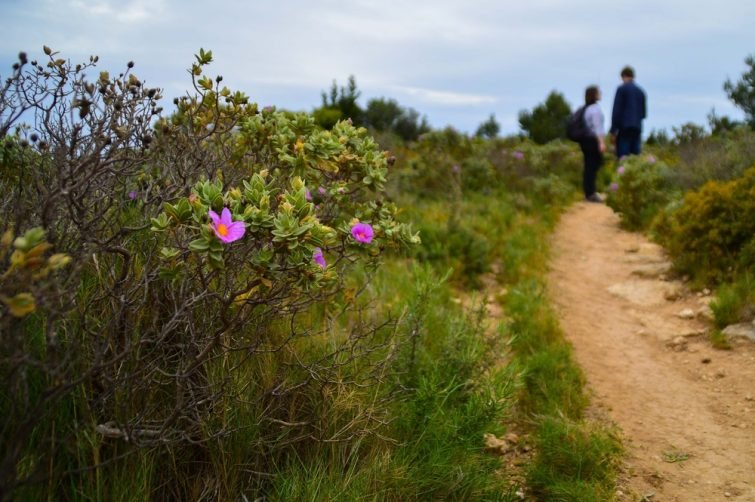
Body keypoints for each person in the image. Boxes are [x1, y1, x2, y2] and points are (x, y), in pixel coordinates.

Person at [610, 66, 647, 158]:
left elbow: (616, 111)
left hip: (624, 128)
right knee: (635, 157)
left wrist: (613, 130)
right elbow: (643, 114)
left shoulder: (621, 89)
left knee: (623, 157)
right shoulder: (641, 92)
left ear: (623, 76)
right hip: (637, 127)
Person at [580, 85, 606, 202]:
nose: (600, 93)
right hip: (592, 140)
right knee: (592, 166)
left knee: (588, 166)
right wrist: (601, 142)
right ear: (594, 95)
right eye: (598, 92)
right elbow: (597, 127)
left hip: (586, 141)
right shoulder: (595, 109)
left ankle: (588, 192)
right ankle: (591, 193)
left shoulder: (587, 108)